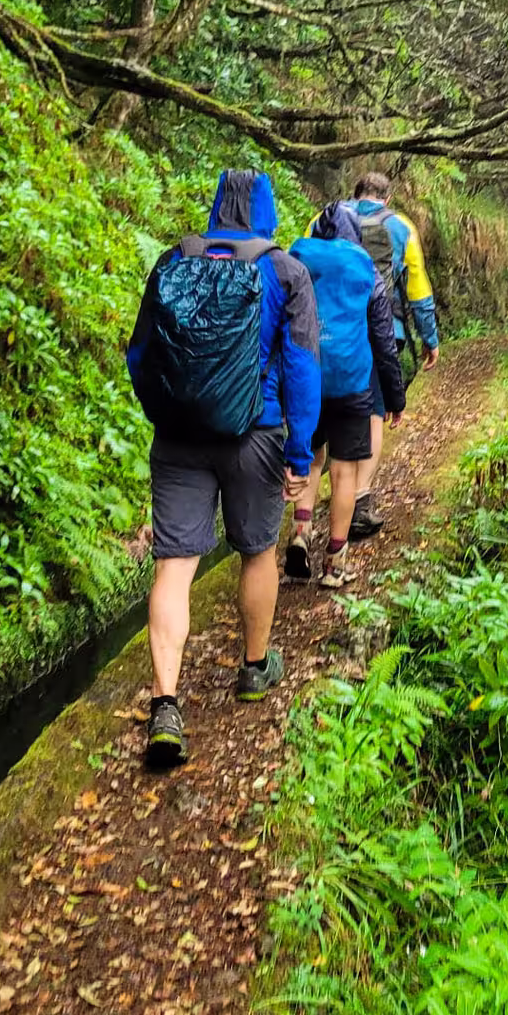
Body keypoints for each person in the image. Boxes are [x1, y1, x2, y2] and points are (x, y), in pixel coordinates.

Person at [126, 169, 321, 767]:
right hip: (255, 436)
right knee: (258, 551)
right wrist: (299, 452)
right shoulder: (285, 270)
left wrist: (167, 412)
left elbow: (140, 354)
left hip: (179, 437)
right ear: (267, 211)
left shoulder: (174, 259)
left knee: (175, 565)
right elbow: (303, 368)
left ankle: (165, 705)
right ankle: (255, 667)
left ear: (215, 207)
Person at [286, 203, 407, 587]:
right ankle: (335, 563)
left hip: (305, 378)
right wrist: (394, 396)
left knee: (310, 457)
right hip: (351, 383)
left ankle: (300, 535)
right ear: (355, 235)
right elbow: (384, 342)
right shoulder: (365, 269)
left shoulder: (297, 258)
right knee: (344, 473)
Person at [322, 170, 439, 540]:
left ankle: (310, 512)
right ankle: (360, 499)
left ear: (355, 194)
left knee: (326, 415)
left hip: (330, 334)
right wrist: (430, 338)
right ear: (387, 198)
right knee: (373, 412)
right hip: (384, 330)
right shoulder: (401, 226)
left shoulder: (325, 216)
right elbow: (417, 288)